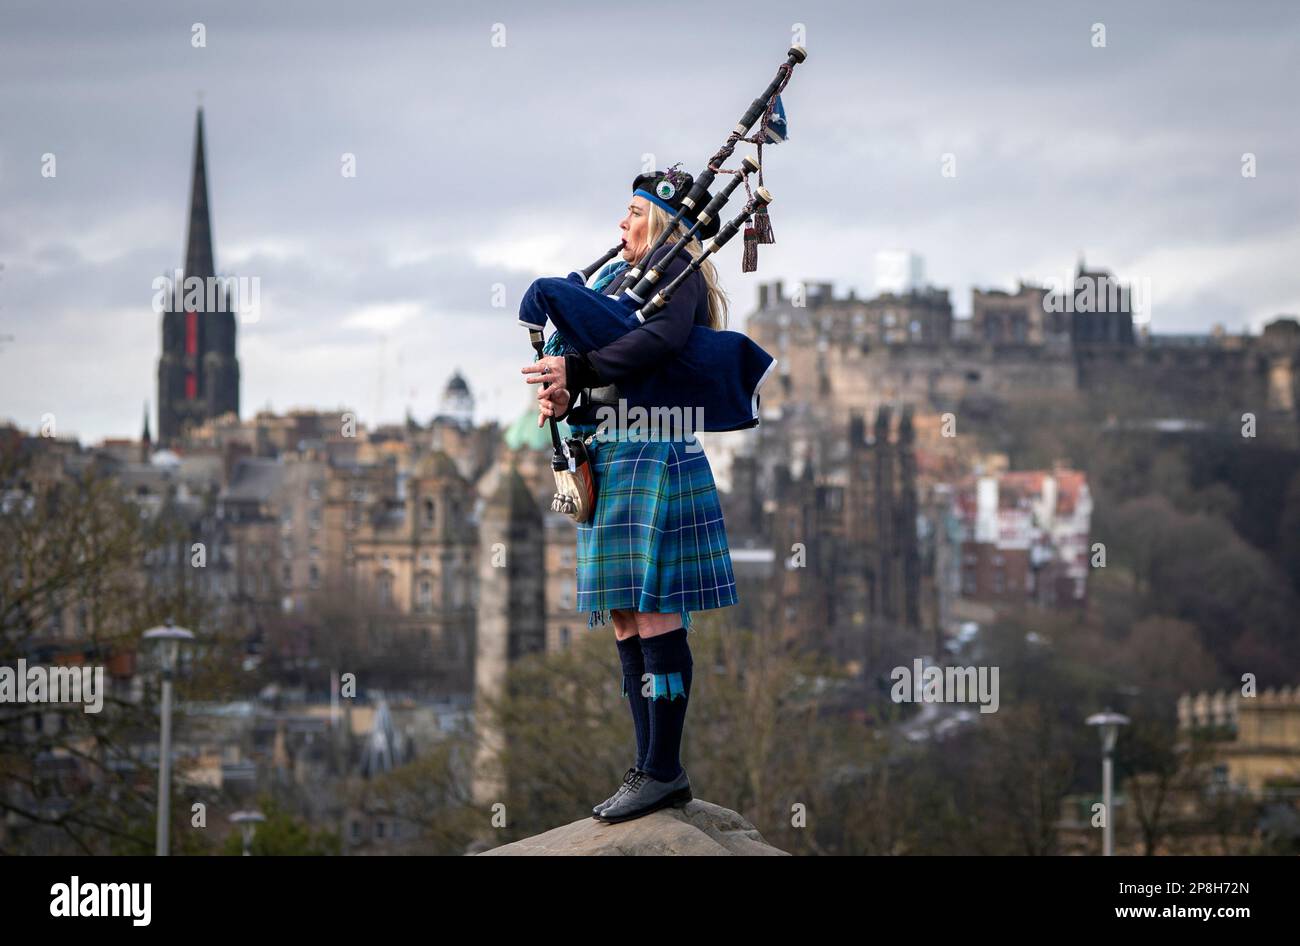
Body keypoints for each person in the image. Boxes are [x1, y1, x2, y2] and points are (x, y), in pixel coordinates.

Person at [520, 166, 737, 823]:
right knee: (623, 616)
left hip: (653, 451)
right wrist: (564, 390)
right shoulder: (622, 282)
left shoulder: (680, 276)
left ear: (666, 224)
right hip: (609, 455)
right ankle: (647, 766)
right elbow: (604, 361)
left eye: (635, 213)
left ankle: (664, 770)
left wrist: (580, 368)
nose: (622, 224)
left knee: (654, 613)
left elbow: (656, 345)